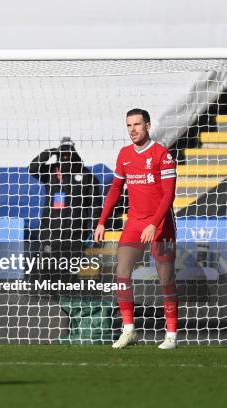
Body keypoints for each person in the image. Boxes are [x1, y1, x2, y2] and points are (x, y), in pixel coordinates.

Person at [94, 108, 177, 350]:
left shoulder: (163, 154)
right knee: (121, 273)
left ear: (148, 126)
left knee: (165, 278)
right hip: (135, 222)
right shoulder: (125, 154)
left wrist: (154, 223)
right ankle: (129, 330)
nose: (133, 130)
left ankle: (171, 334)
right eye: (129, 125)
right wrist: (102, 221)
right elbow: (115, 190)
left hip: (161, 223)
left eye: (137, 125)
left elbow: (168, 195)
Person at [28, 137, 102, 279]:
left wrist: (94, 229)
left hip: (76, 234)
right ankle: (48, 295)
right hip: (51, 233)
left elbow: (95, 206)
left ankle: (72, 294)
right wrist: (49, 152)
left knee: (72, 272)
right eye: (63, 154)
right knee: (49, 270)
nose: (66, 157)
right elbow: (32, 168)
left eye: (69, 154)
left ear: (75, 154)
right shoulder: (51, 172)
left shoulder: (87, 176)